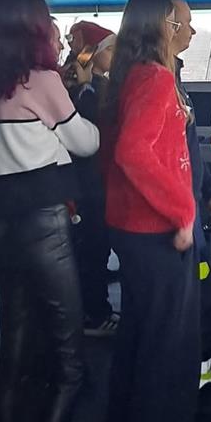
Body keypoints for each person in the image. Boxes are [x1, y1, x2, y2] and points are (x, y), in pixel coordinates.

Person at [0, 0, 100, 422]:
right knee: (69, 362)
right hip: (43, 227)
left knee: (13, 347)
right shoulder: (40, 79)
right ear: (35, 27)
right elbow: (86, 142)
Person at [100, 0, 198, 422]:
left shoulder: (128, 75)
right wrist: (183, 212)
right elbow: (133, 152)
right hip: (156, 231)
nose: (180, 30)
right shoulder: (156, 79)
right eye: (174, 22)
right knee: (166, 352)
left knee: (138, 342)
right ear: (159, 26)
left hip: (130, 228)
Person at [170, 0, 211, 387]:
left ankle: (199, 377)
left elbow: (189, 151)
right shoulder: (157, 83)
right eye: (187, 22)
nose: (193, 30)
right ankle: (192, 384)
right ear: (168, 27)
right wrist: (182, 217)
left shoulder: (173, 79)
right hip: (180, 220)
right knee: (192, 303)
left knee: (202, 296)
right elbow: (146, 161)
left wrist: (209, 189)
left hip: (191, 210)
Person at [65, 23, 120, 336]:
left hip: (98, 181)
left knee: (97, 248)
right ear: (93, 53)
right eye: (110, 49)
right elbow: (87, 129)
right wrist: (85, 86)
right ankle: (94, 315)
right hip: (87, 183)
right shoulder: (80, 88)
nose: (115, 54)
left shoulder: (100, 85)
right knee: (91, 249)